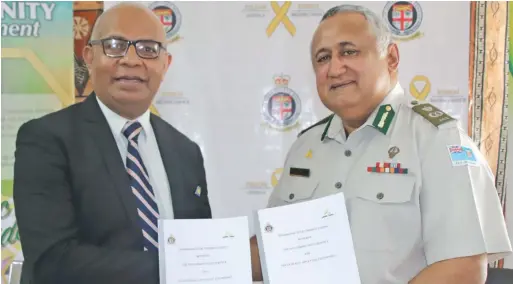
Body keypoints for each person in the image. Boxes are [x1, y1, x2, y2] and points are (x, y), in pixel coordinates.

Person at [250, 4, 512, 284]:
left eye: (349, 51)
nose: (335, 68)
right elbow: (272, 245)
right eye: (323, 58)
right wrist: (211, 260)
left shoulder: (438, 140)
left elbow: (462, 269)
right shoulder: (305, 147)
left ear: (391, 58)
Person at [13, 3, 211, 284]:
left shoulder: (185, 151)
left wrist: (234, 256)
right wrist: (175, 267)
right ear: (89, 57)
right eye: (115, 45)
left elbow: (202, 248)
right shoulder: (46, 139)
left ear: (165, 65)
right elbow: (52, 260)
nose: (131, 60)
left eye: (148, 49)